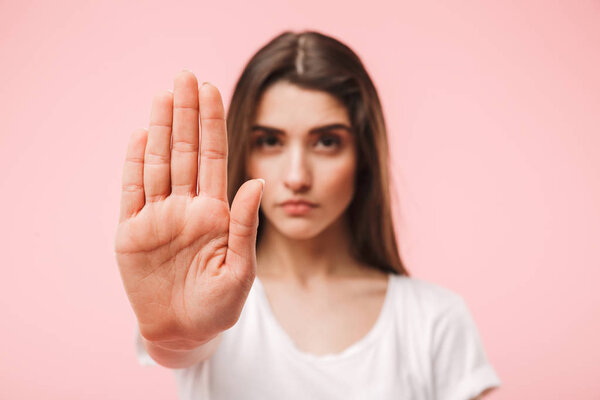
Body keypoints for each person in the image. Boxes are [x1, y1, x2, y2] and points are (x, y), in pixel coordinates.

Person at [114, 30, 501, 400]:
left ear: (363, 156)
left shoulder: (434, 320)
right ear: (244, 153)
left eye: (327, 142)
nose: (297, 176)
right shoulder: (209, 297)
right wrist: (178, 335)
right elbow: (185, 344)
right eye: (269, 141)